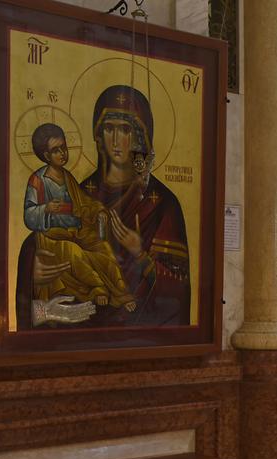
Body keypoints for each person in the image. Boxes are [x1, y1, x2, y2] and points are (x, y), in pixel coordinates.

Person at [16, 85, 191, 328]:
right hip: (81, 325)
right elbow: (45, 238)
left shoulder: (162, 203)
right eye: (109, 128)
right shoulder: (80, 189)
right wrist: (34, 267)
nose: (116, 140)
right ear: (98, 134)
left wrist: (139, 254)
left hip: (137, 333)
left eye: (126, 130)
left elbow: (179, 287)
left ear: (141, 135)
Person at [24, 123, 136, 311]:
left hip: (77, 231)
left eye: (64, 148)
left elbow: (84, 203)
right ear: (46, 156)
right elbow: (28, 214)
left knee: (104, 249)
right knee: (74, 252)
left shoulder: (67, 177)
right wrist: (45, 208)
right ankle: (98, 287)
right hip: (53, 237)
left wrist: (98, 211)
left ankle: (122, 293)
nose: (62, 153)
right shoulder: (38, 180)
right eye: (56, 150)